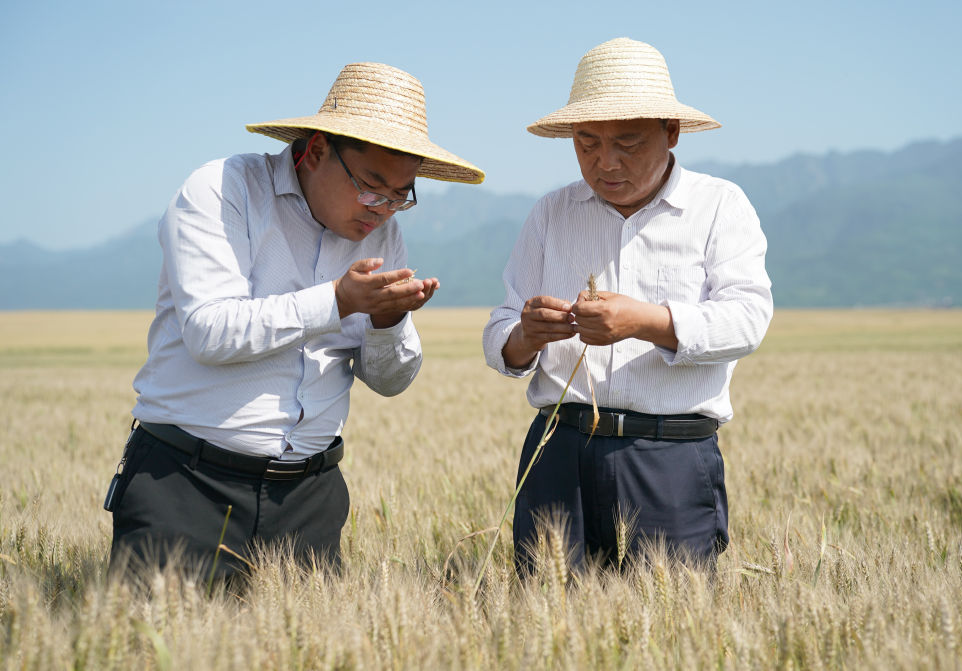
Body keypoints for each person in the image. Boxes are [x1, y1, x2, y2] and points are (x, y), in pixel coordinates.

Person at [107, 62, 483, 579]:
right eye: (372, 185)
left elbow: (390, 382)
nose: (383, 209)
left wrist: (388, 324)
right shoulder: (222, 191)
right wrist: (337, 301)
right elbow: (211, 331)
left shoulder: (382, 232)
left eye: (402, 195)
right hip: (188, 484)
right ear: (317, 149)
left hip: (310, 497)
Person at [483, 38, 772, 573]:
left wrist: (643, 321)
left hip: (670, 455)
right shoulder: (553, 212)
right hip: (559, 448)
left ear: (671, 132)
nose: (605, 161)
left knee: (670, 631)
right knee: (549, 627)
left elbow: (748, 321)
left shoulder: (718, 206)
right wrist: (527, 334)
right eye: (586, 142)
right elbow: (501, 330)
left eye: (627, 143)